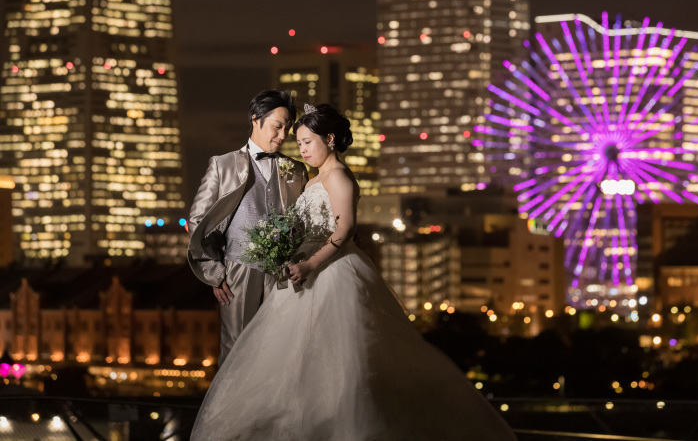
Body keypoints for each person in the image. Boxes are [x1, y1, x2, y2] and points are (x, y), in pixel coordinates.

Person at [191, 104, 517, 441]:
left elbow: (344, 231)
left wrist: (309, 264)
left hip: (329, 271)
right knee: (289, 363)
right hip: (299, 274)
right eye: (299, 143)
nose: (301, 149)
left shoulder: (340, 176)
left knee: (340, 360)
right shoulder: (311, 178)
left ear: (329, 139)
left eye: (307, 142)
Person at [187, 90, 308, 365]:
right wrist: (214, 273)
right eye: (278, 125)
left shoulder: (296, 170)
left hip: (283, 274)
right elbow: (198, 221)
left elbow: (302, 223)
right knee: (236, 353)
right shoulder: (223, 165)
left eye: (287, 127)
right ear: (256, 119)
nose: (283, 134)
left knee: (280, 353)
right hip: (237, 272)